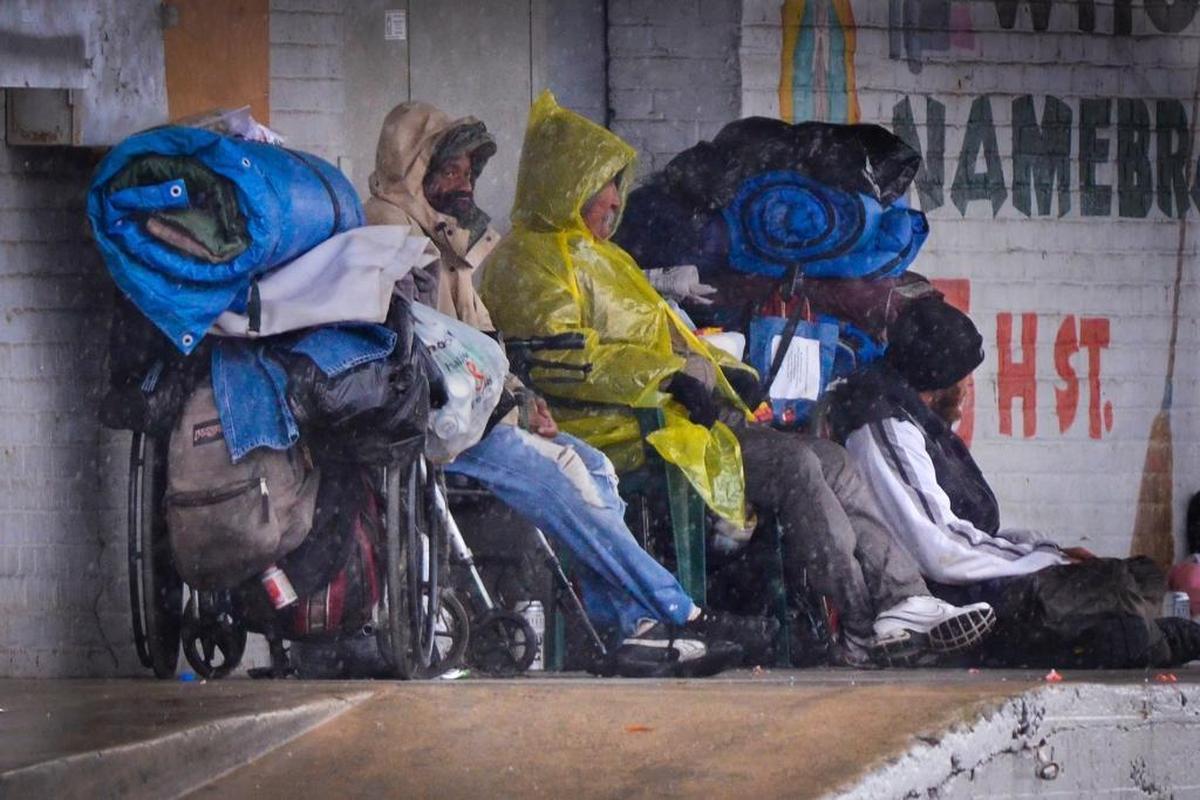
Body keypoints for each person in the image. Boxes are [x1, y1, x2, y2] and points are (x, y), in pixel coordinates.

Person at [480, 91, 996, 667]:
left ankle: (904, 600)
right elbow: (555, 358)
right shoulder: (526, 260)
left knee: (832, 462)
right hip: (620, 428)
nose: (613, 200)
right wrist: (670, 379)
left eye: (617, 184)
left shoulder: (610, 259)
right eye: (604, 184)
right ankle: (857, 624)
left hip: (682, 417)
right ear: (567, 183)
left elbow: (672, 334)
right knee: (797, 467)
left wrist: (734, 373)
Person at [364, 101, 776, 677]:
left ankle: (633, 632)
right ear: (414, 169)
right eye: (448, 171)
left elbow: (484, 344)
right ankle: (677, 610)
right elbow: (425, 351)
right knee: (562, 480)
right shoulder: (391, 233)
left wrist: (522, 402)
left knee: (596, 469)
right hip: (433, 428)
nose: (463, 184)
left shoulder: (447, 237)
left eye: (467, 172)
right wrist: (508, 403)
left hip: (475, 417)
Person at [827, 297, 1200, 667]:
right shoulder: (886, 428)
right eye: (965, 375)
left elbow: (963, 529)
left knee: (1141, 577)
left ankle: (1161, 634)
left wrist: (1042, 548)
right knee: (1120, 603)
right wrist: (1041, 560)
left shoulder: (916, 419)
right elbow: (941, 550)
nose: (970, 386)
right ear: (941, 379)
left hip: (986, 583)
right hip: (962, 603)